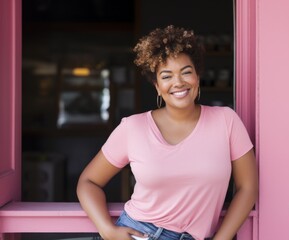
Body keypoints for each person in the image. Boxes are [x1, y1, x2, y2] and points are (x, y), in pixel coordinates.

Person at [77, 25, 258, 240]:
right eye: (166, 76)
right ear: (157, 86)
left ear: (198, 77)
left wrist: (222, 238)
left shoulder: (226, 121)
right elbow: (88, 182)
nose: (178, 82)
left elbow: (248, 187)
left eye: (186, 72)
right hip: (137, 233)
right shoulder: (133, 128)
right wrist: (107, 229)